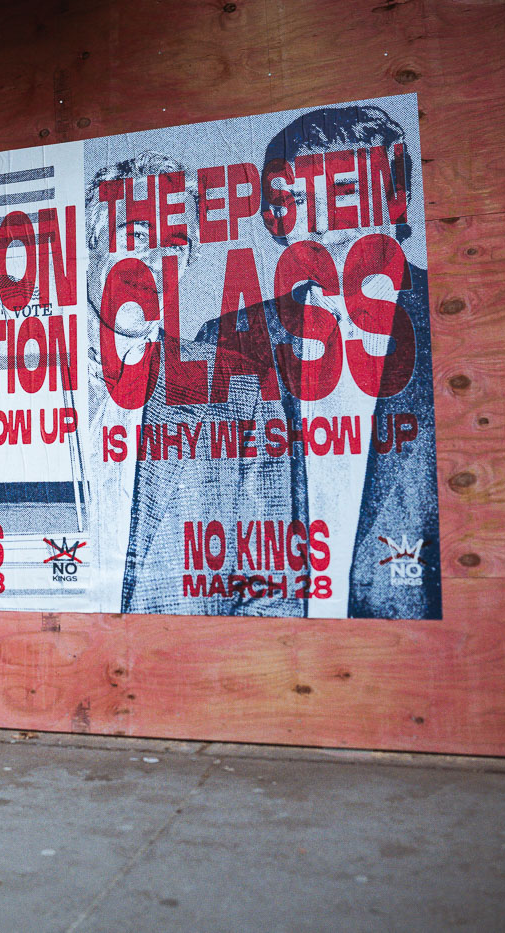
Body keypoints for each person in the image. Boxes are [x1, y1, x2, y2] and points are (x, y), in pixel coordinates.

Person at [195, 104, 440, 619]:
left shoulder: (453, 323)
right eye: (300, 200)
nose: (324, 223)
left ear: (397, 199)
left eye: (345, 191)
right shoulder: (226, 343)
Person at [84, 152, 296, 615]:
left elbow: (271, 593)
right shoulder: (18, 384)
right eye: (136, 237)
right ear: (91, 247)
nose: (155, 264)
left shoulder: (241, 389)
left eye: (175, 246)